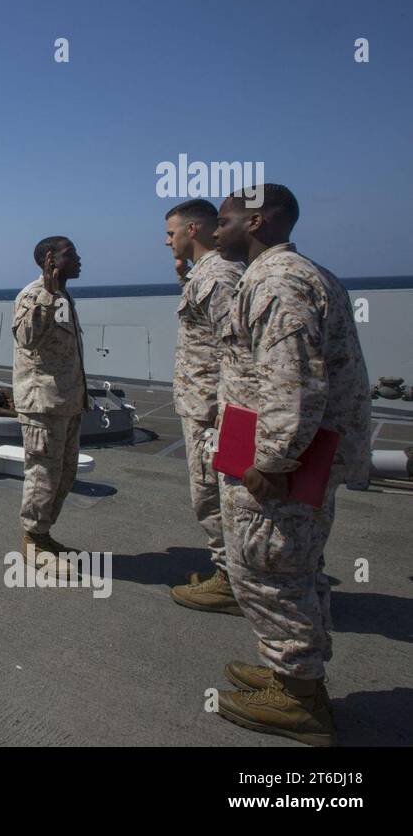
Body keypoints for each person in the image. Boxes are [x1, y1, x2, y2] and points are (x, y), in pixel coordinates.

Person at [211, 184, 370, 746]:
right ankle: (290, 671)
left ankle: (299, 697)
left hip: (279, 457)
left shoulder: (278, 282)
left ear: (256, 222)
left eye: (225, 220)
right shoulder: (303, 273)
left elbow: (291, 379)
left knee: (268, 566)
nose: (215, 229)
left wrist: (273, 460)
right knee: (294, 565)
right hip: (292, 449)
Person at [164, 200, 245, 613]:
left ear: (192, 230)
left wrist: (222, 413)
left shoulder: (220, 277)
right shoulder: (206, 275)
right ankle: (230, 575)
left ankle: (232, 582)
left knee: (213, 497)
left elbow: (237, 349)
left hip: (213, 412)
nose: (166, 241)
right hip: (203, 405)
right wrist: (185, 279)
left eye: (171, 232)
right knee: (210, 495)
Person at [11, 237, 89, 566]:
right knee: (43, 474)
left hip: (66, 402)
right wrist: (46, 292)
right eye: (71, 254)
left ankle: (43, 534)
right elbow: (26, 338)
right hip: (42, 405)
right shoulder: (33, 295)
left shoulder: (63, 296)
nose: (79, 259)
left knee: (65, 473)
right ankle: (32, 540)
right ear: (49, 259)